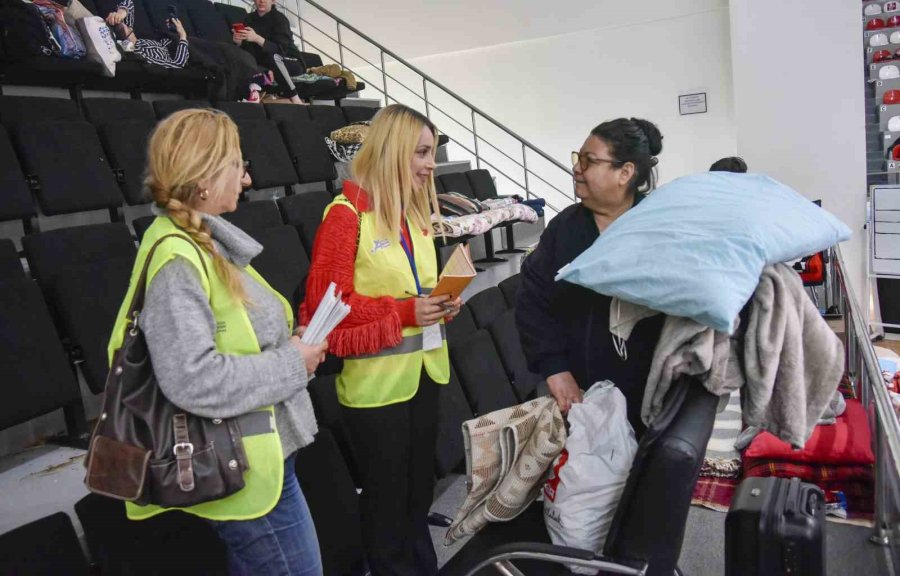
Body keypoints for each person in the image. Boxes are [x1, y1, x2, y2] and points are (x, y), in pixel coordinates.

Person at [107, 108, 327, 576]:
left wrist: (290, 345)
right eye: (236, 166)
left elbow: (237, 340)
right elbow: (195, 379)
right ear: (204, 177)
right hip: (240, 469)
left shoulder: (203, 242)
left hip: (254, 462)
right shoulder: (177, 259)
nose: (245, 180)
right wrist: (293, 362)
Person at [301, 104, 462, 576]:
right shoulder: (345, 214)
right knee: (388, 505)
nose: (432, 164)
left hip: (426, 374)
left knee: (415, 497)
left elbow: (413, 288)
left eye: (433, 152)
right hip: (376, 391)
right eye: (422, 153)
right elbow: (323, 315)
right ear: (392, 151)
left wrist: (441, 303)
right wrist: (408, 311)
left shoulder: (413, 212)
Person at [516, 118, 664, 436]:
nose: (577, 168)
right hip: (578, 396)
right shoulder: (564, 229)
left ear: (625, 173)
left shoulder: (659, 227)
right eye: (578, 158)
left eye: (590, 161)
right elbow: (532, 301)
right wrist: (554, 369)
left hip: (650, 395)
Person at [234, 0, 307, 104]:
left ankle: (295, 97)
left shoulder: (279, 19)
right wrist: (238, 42)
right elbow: (248, 50)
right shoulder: (249, 19)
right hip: (266, 62)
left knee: (274, 57)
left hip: (290, 60)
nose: (262, 1)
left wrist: (257, 38)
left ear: (273, 1)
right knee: (242, 57)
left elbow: (282, 50)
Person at [106, 0, 188, 69]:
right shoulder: (144, 56)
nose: (128, 27)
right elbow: (178, 65)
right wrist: (183, 35)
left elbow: (129, 3)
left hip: (171, 43)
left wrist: (120, 14)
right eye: (125, 28)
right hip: (184, 51)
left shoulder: (134, 39)